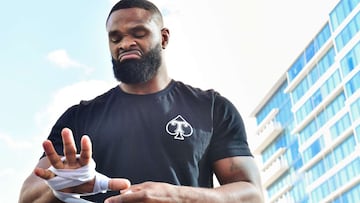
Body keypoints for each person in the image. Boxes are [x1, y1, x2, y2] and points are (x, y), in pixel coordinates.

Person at [19, 0, 264, 202]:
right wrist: (59, 186)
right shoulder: (79, 117)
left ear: (164, 38)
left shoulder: (211, 108)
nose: (125, 44)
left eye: (138, 33)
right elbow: (28, 197)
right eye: (115, 38)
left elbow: (251, 194)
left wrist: (177, 196)